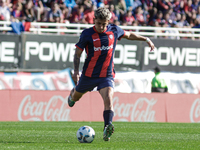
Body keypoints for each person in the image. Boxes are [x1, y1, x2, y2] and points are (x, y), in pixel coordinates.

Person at [68, 7, 155, 141]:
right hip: (88, 76)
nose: (102, 26)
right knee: (75, 97)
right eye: (99, 23)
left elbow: (129, 35)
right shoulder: (87, 34)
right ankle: (73, 95)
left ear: (108, 22)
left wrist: (146, 39)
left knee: (108, 97)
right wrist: (75, 72)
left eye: (104, 24)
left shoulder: (114, 30)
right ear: (94, 20)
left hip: (106, 75)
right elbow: (77, 53)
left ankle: (107, 127)